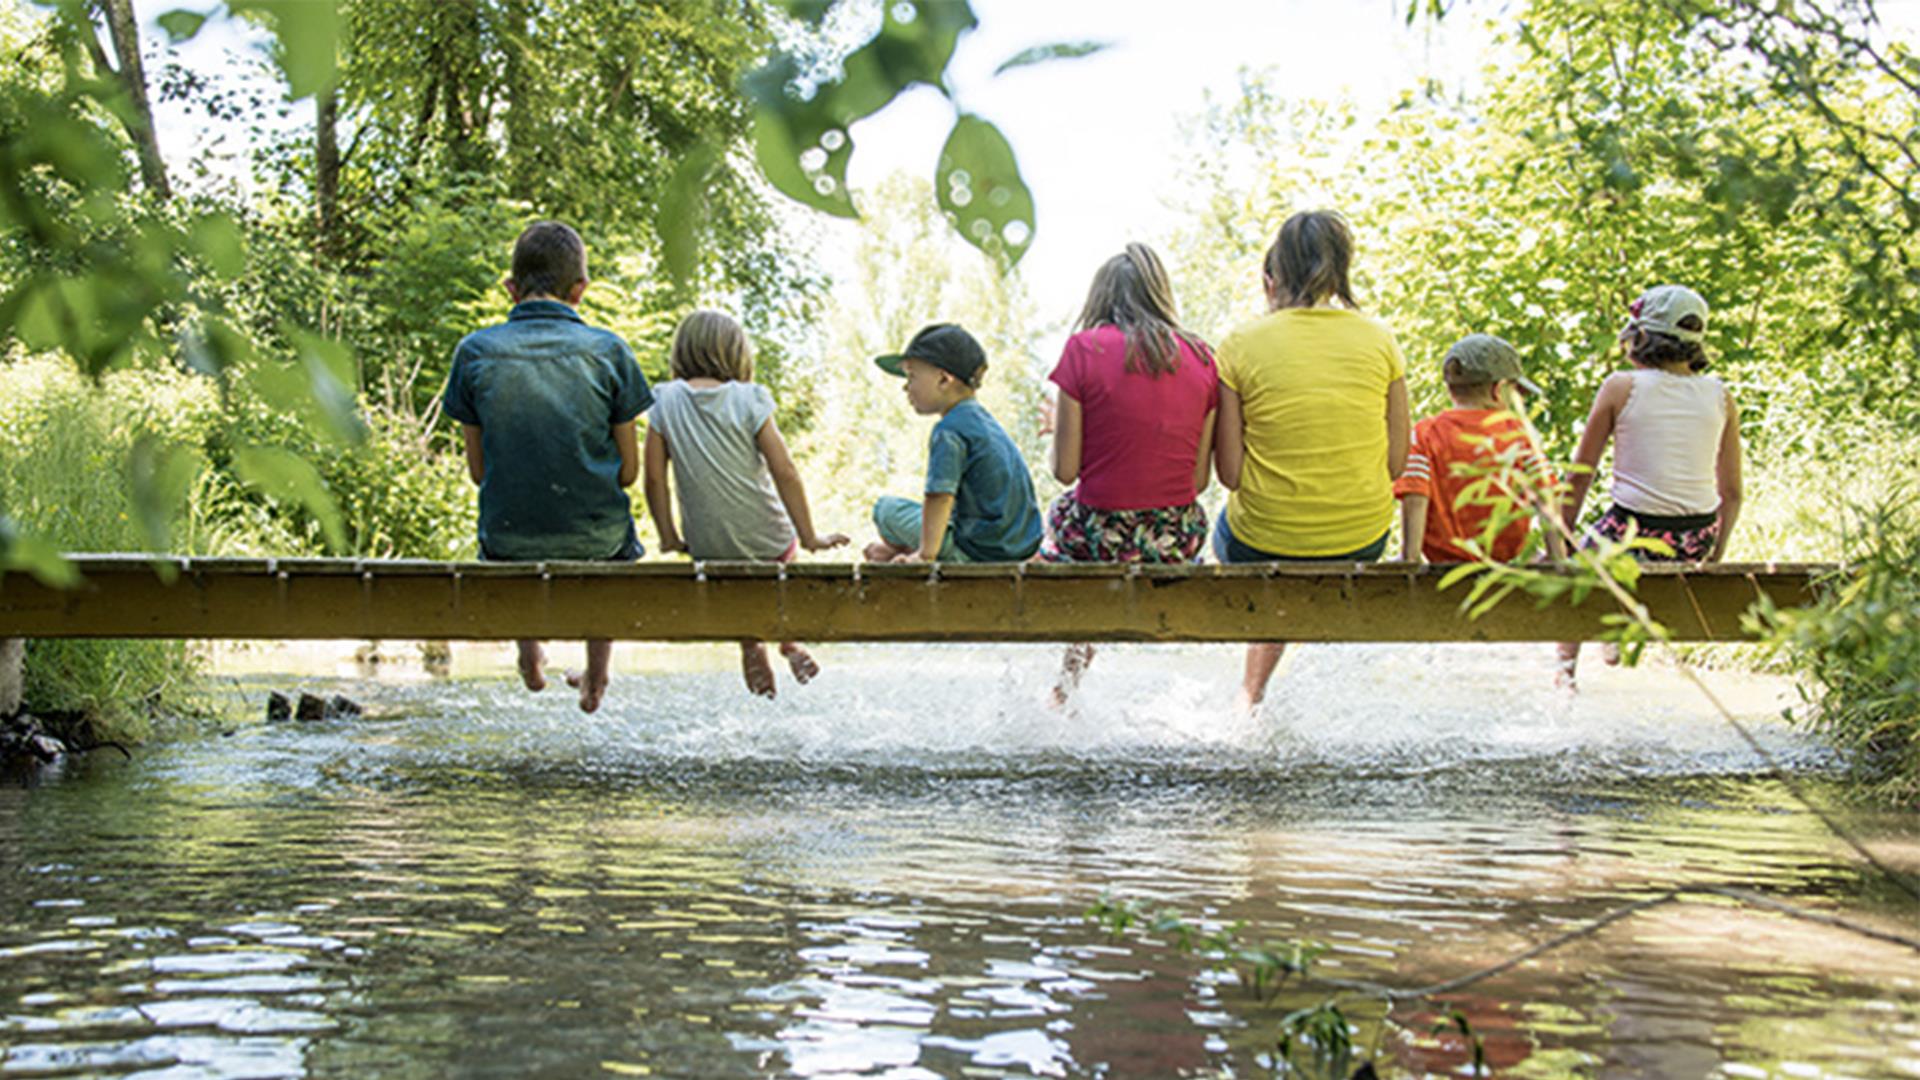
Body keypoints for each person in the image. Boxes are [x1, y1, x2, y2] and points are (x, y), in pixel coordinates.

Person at [441, 220, 652, 714]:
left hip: (509, 539)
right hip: (597, 540)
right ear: (580, 290)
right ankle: (597, 675)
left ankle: (529, 656)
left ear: (511, 289)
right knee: (615, 549)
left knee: (505, 534)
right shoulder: (610, 351)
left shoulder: (473, 352)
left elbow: (478, 472)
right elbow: (627, 473)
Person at [1213, 210, 1411, 712]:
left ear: (1270, 279)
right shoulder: (1380, 339)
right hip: (1360, 539)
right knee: (1304, 554)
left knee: (1232, 533)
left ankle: (1249, 696)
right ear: (1341, 271)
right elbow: (1395, 464)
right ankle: (1263, 690)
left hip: (1261, 542)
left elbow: (1230, 475)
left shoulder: (1239, 344)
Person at [1039, 243, 1218, 704]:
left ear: (1098, 299)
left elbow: (1064, 471)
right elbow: (1198, 481)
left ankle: (1067, 685)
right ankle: (1067, 684)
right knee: (1106, 526)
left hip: (1099, 535)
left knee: (1064, 515)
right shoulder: (1202, 357)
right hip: (1175, 538)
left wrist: (1056, 429)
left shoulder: (1082, 350)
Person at [642, 310, 849, 698]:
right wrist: (809, 536)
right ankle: (788, 639)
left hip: (709, 547)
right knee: (781, 561)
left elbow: (654, 478)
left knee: (733, 582)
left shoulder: (663, 400)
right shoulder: (749, 398)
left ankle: (750, 643)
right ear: (736, 354)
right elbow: (784, 470)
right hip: (769, 538)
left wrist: (669, 536)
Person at [1556, 285, 1743, 688]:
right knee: (1617, 535)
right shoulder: (1721, 395)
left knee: (1573, 570)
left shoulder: (1621, 386)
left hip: (1631, 535)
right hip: (1697, 536)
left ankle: (1564, 676)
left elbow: (1579, 475)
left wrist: (1561, 539)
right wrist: (1716, 554)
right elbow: (1732, 493)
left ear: (1641, 336)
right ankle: (1614, 633)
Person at [863, 323, 1042, 565]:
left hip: (975, 553)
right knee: (926, 522)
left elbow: (939, 496)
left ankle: (912, 553)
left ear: (944, 379)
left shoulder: (949, 430)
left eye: (912, 376)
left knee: (885, 510)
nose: (906, 387)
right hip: (1016, 550)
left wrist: (926, 555)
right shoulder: (986, 424)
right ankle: (901, 553)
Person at [1395, 333, 1563, 564]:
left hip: (1445, 567)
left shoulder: (1426, 433)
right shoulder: (1518, 434)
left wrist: (1409, 556)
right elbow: (1545, 495)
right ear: (1498, 389)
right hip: (1507, 564)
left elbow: (1415, 496)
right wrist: (1557, 556)